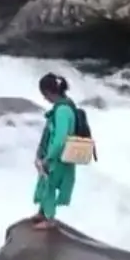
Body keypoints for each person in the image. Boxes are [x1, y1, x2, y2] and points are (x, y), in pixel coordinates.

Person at [32, 72, 79, 230]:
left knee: (50, 183)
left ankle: (49, 218)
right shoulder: (65, 106)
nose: (45, 98)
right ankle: (42, 212)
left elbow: (60, 139)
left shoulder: (62, 111)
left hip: (59, 156)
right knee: (46, 182)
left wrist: (48, 157)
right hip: (59, 154)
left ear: (49, 92)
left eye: (44, 94)